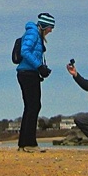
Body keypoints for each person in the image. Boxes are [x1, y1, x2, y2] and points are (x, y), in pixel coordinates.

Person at [16, 13, 55, 152]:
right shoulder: (33, 33)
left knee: (31, 107)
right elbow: (25, 51)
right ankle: (29, 144)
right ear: (44, 26)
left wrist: (41, 68)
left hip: (29, 73)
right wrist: (39, 66)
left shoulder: (36, 35)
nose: (51, 31)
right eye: (50, 27)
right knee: (33, 106)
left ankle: (24, 144)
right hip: (27, 73)